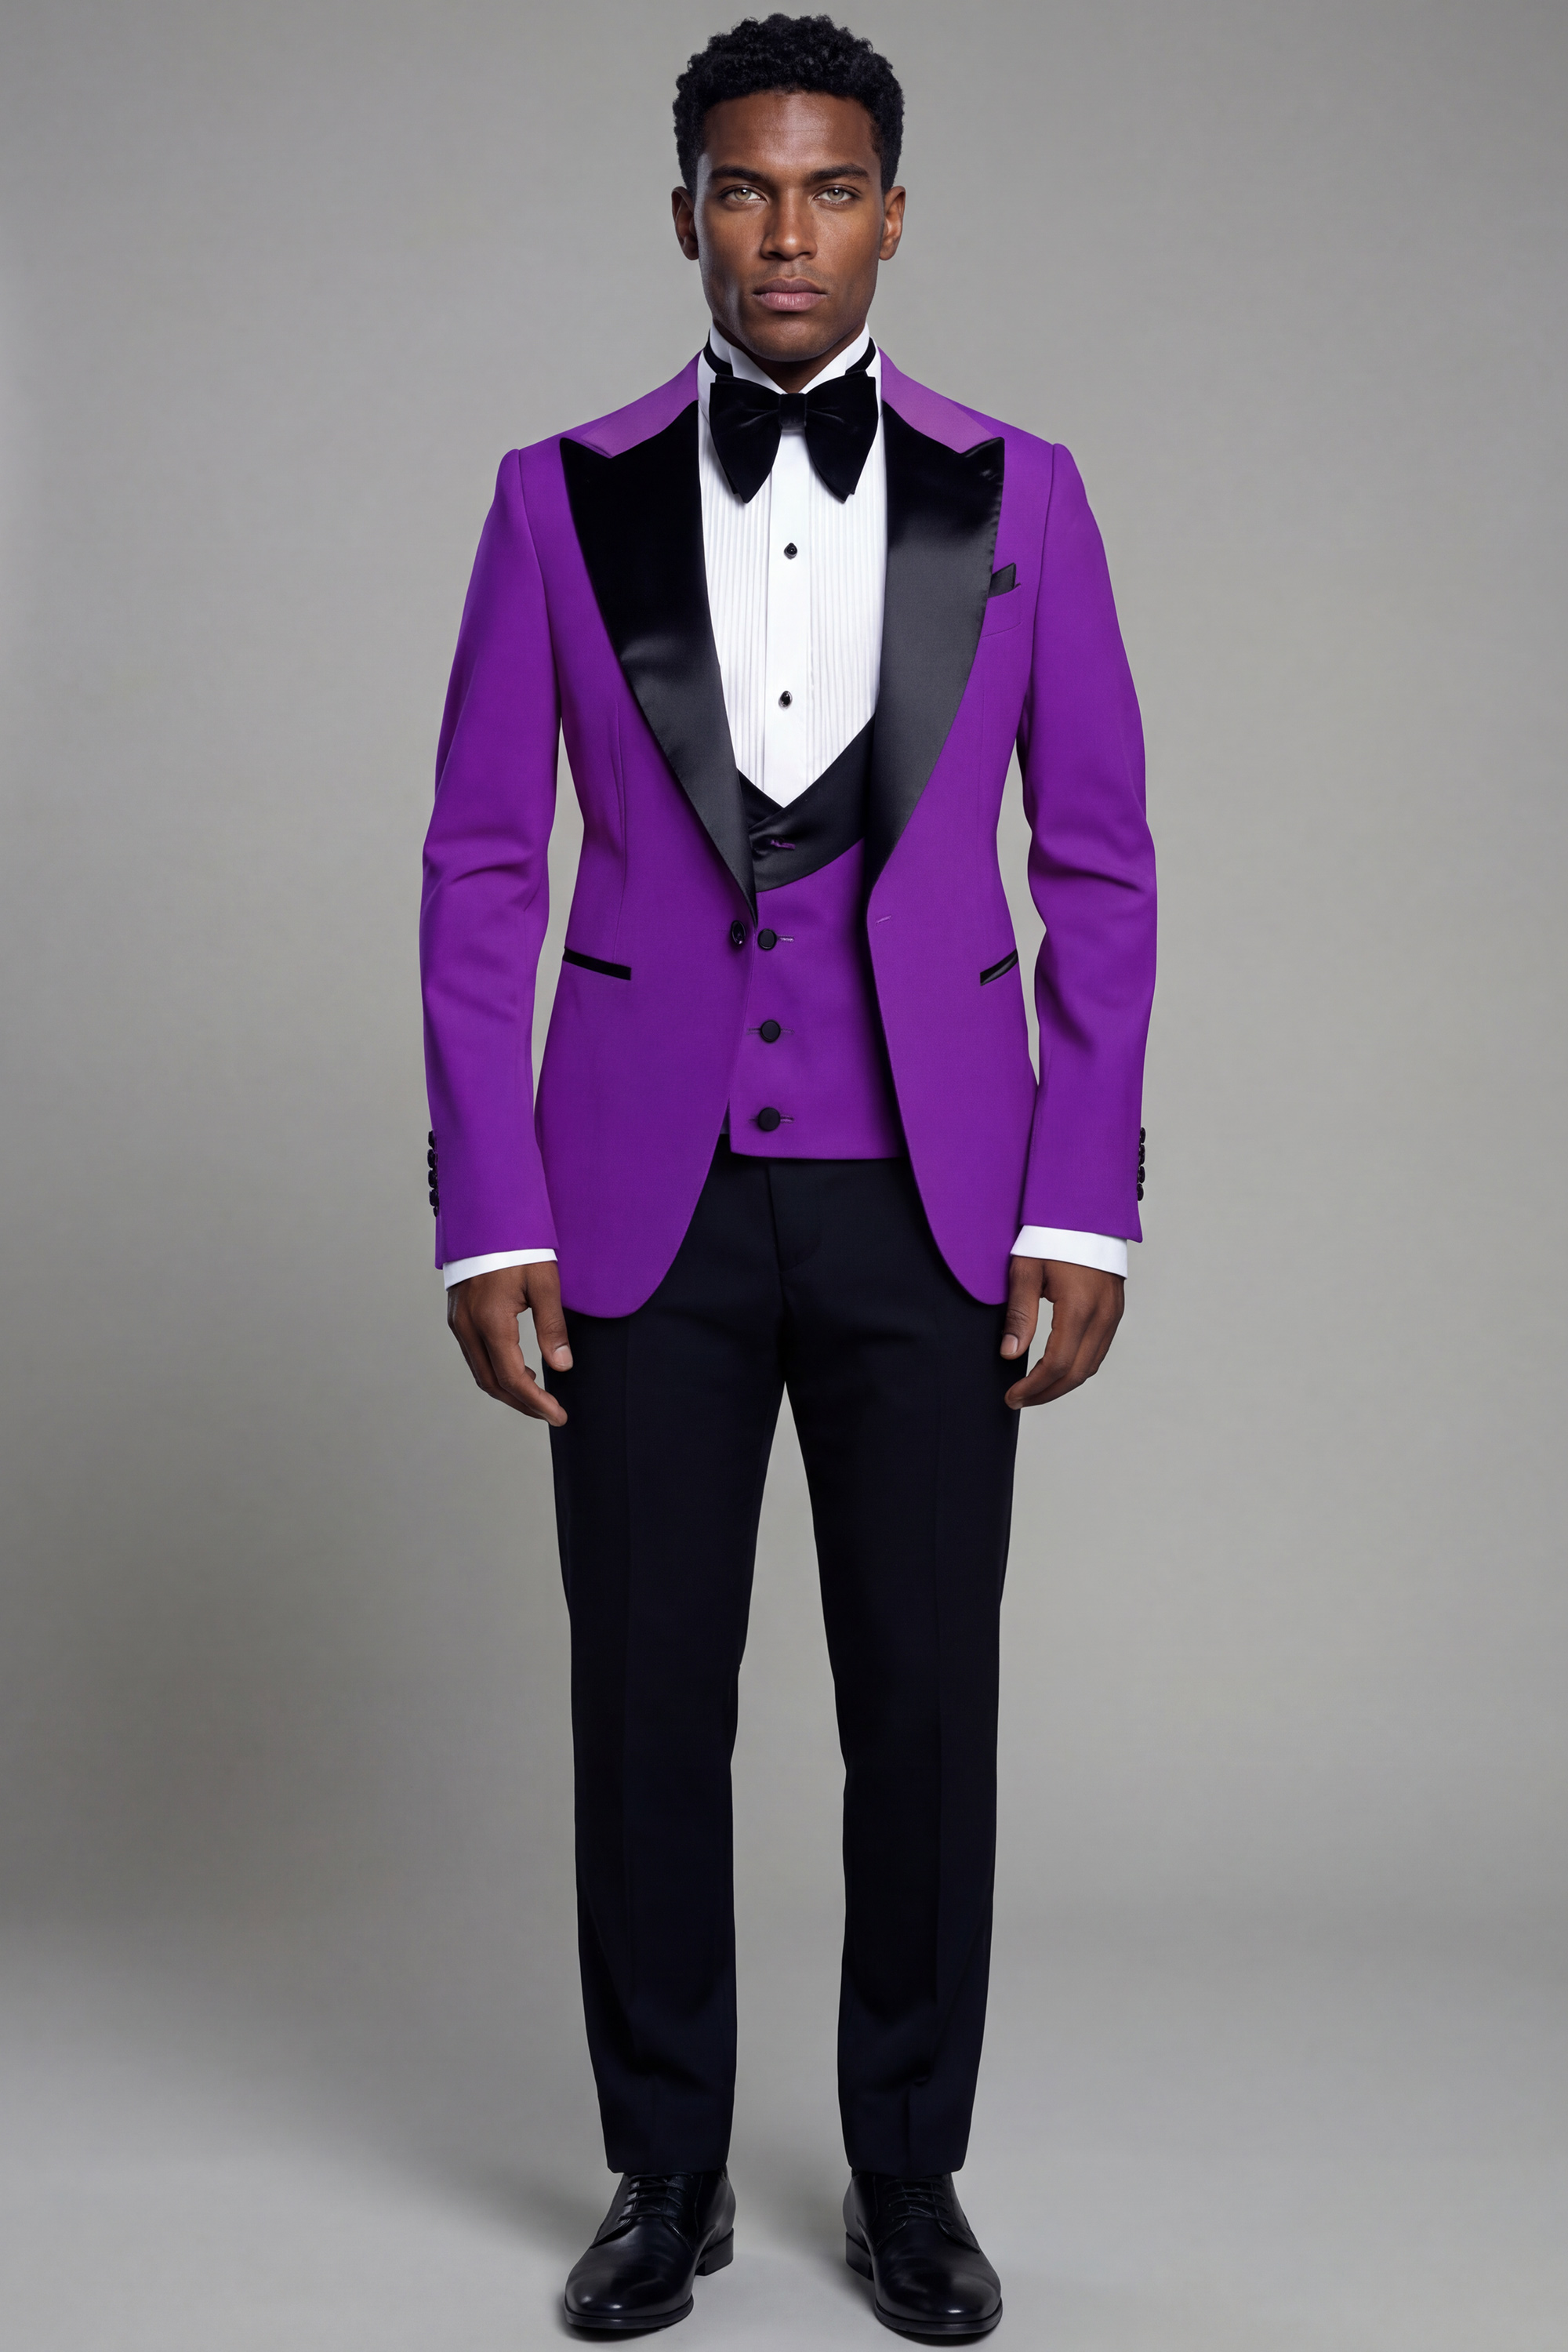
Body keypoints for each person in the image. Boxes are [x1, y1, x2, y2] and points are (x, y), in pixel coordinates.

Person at [420, 13, 1155, 2336]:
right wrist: (489, 1203)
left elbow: (1101, 864)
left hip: (935, 1204)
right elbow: (478, 864)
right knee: (648, 1706)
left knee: (923, 1708)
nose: (787, 233)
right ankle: (665, 2173)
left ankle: (910, 2177)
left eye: (832, 189)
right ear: (685, 217)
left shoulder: (1027, 498)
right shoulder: (555, 498)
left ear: (895, 215)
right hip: (634, 1209)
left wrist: (1081, 1197)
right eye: (745, 189)